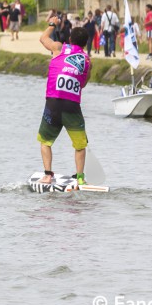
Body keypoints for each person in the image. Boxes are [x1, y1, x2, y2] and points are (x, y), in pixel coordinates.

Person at [36, 17, 92, 186]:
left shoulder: (59, 48)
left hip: (53, 102)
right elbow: (83, 84)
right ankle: (80, 178)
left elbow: (43, 39)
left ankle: (47, 175)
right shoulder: (87, 60)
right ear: (85, 44)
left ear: (69, 39)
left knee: (45, 141)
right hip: (72, 106)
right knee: (80, 145)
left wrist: (52, 24)